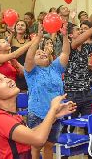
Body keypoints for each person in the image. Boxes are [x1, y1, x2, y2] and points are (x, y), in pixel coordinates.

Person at [0, 72, 76, 159]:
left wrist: (55, 116)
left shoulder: (13, 116)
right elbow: (38, 138)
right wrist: (52, 109)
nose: (8, 79)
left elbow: (32, 135)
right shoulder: (1, 119)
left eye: (5, 76)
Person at [24, 23, 69, 159]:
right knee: (37, 147)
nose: (42, 53)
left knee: (49, 146)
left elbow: (66, 52)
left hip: (56, 114)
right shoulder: (31, 71)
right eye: (38, 53)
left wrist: (65, 36)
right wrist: (38, 38)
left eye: (43, 52)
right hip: (37, 114)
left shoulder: (55, 67)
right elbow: (29, 57)